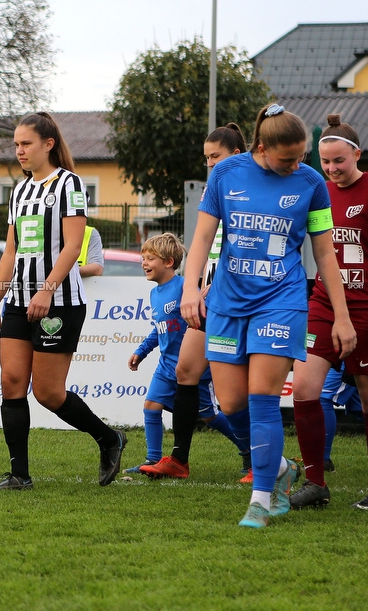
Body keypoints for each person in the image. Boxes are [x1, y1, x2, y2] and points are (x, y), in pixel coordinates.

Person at [182, 103, 356, 528]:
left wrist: (341, 315)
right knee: (231, 402)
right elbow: (203, 237)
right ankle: (279, 468)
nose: (297, 164)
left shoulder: (312, 183)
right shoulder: (225, 174)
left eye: (301, 156)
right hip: (225, 302)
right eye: (287, 158)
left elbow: (324, 253)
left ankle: (263, 499)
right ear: (262, 147)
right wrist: (190, 288)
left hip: (281, 301)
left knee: (262, 399)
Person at [0, 112, 126, 491]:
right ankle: (19, 475)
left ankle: (109, 438)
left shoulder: (69, 184)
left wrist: (47, 289)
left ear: (48, 144)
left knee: (48, 393)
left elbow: (74, 246)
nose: (19, 151)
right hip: (18, 300)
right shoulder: (19, 190)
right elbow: (11, 250)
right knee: (11, 381)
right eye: (16, 144)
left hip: (58, 301)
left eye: (26, 143)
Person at [289, 114, 368, 513]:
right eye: (325, 163)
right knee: (305, 391)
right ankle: (314, 482)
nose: (331, 169)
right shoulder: (320, 192)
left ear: (356, 154)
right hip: (324, 304)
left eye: (338, 161)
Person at [145, 123, 252, 481]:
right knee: (185, 371)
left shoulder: (258, 187)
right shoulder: (215, 186)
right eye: (206, 157)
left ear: (237, 155)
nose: (209, 163)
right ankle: (179, 460)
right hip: (213, 294)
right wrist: (196, 286)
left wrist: (217, 283)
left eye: (215, 156)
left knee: (234, 394)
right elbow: (205, 242)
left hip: (243, 297)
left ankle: (260, 461)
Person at [126, 233, 248, 478]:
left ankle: (249, 453)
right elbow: (159, 327)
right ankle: (154, 458)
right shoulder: (155, 294)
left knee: (210, 416)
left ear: (169, 262)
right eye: (143, 258)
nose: (144, 263)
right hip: (166, 363)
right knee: (151, 405)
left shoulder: (184, 286)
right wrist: (141, 351)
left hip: (192, 366)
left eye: (151, 258)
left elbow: (198, 316)